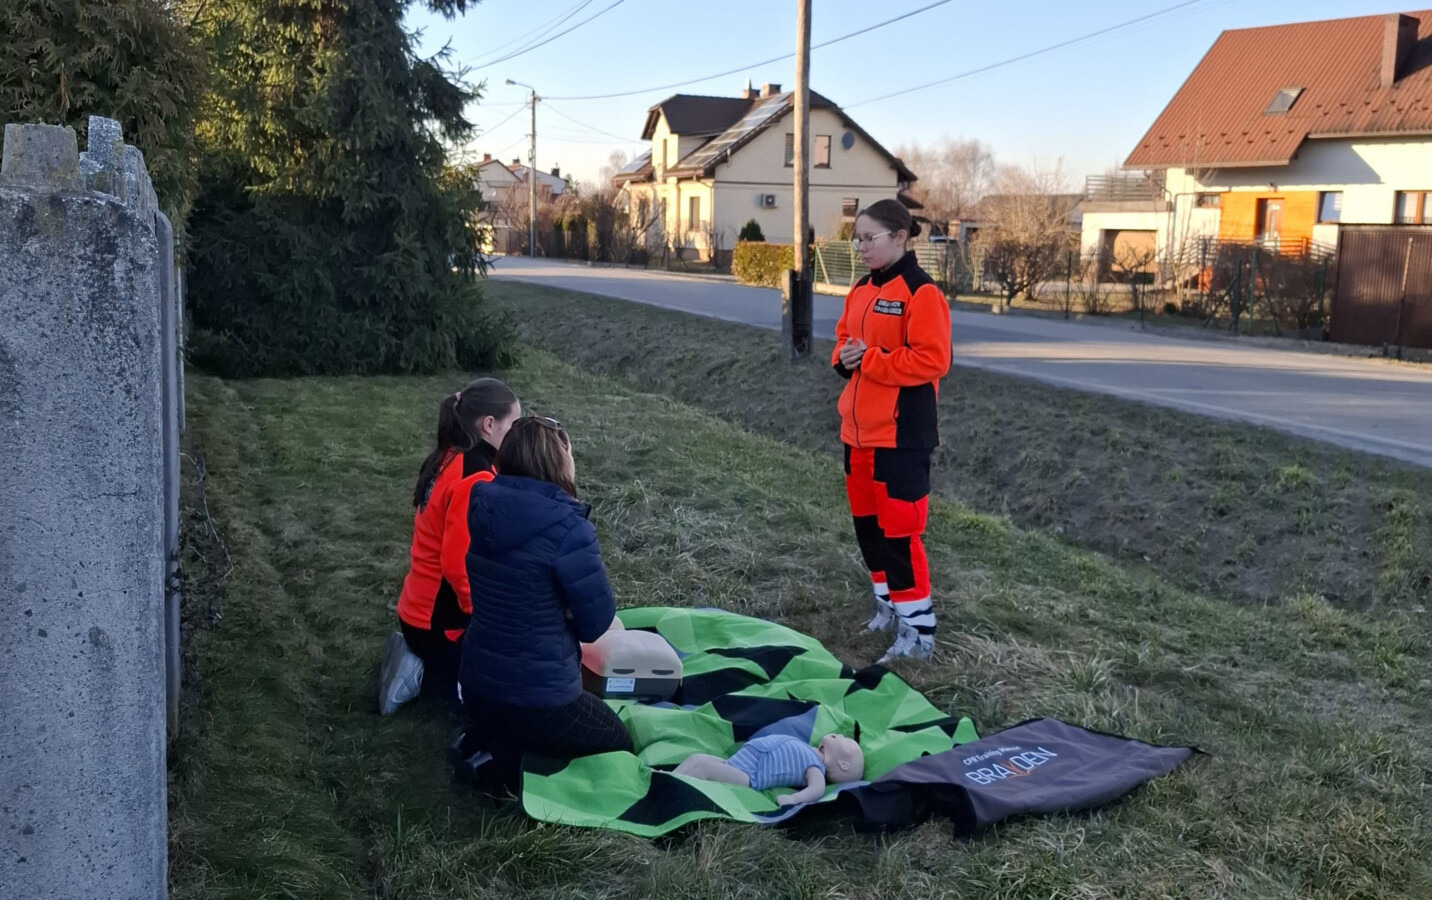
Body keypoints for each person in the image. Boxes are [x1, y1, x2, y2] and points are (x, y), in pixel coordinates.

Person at [457, 415, 632, 787]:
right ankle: (503, 769)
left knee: (512, 720)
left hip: (475, 685)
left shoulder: (482, 508)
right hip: (540, 699)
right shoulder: (571, 529)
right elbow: (596, 624)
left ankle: (487, 744)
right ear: (559, 461)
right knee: (617, 741)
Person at [833, 199, 952, 663]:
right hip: (857, 435)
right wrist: (843, 357)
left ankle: (918, 631)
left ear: (900, 237)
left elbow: (933, 359)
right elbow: (845, 339)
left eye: (869, 238)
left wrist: (873, 361)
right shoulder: (861, 289)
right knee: (868, 531)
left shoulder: (922, 293)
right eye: (856, 238)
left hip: (901, 438)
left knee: (899, 535)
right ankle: (887, 606)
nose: (859, 246)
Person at [390, 377, 520, 708]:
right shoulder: (476, 476)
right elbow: (457, 563)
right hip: (439, 625)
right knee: (515, 659)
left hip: (415, 611)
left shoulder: (447, 456)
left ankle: (427, 667)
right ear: (489, 424)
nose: (517, 435)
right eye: (514, 425)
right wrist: (481, 616)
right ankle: (440, 680)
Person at [674, 733, 864, 806]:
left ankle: (672, 787)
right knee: (696, 758)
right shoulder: (808, 749)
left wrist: (793, 799)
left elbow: (817, 789)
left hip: (749, 775)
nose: (839, 735)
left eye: (845, 740)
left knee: (705, 768)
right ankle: (666, 777)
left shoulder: (816, 767)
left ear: (843, 765)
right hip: (735, 761)